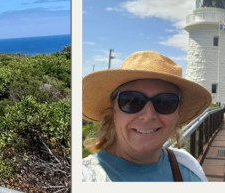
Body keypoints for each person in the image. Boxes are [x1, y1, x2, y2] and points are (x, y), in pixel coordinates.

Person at [82, 51, 211, 182]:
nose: (148, 115)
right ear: (114, 111)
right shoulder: (84, 177)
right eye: (132, 101)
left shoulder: (188, 165)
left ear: (178, 114)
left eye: (165, 102)